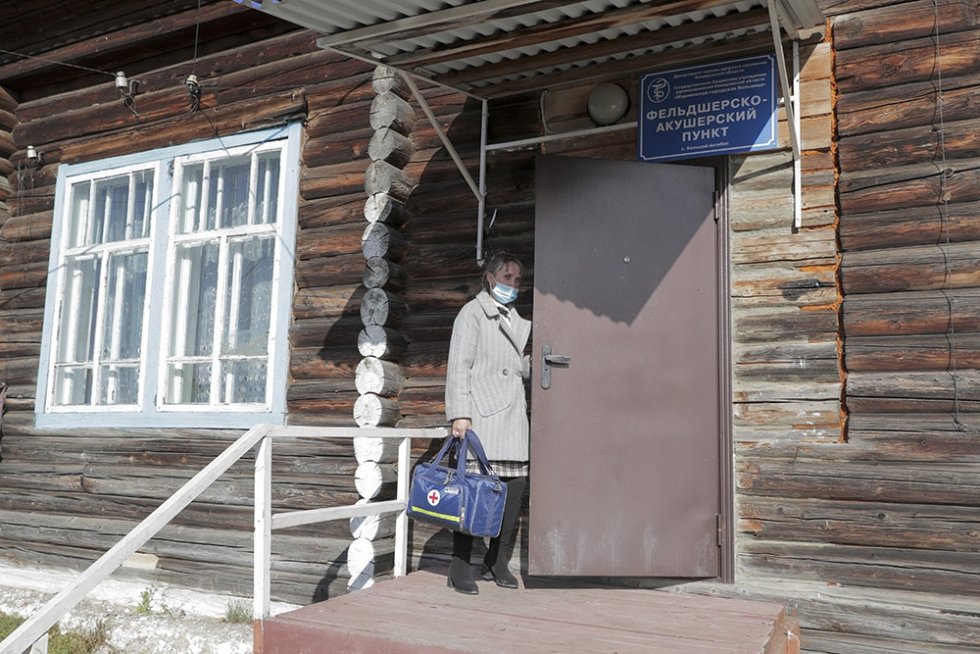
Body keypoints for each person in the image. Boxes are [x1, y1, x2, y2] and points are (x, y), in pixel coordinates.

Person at [444, 252, 531, 595]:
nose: (513, 284)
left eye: (518, 279)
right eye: (507, 277)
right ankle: (460, 565)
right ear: (491, 278)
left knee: (513, 489)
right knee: (471, 492)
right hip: (482, 415)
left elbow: (513, 365)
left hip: (512, 416)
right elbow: (458, 366)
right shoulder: (473, 313)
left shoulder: (514, 319)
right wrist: (460, 413)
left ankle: (496, 560)